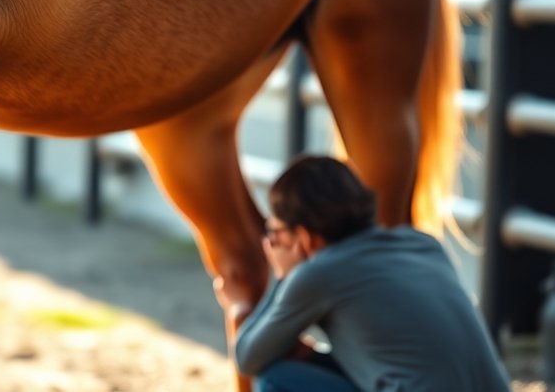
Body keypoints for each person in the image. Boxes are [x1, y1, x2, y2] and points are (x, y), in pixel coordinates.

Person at [215, 155, 510, 392]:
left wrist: (279, 280)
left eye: (275, 233)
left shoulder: (319, 274)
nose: (270, 244)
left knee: (276, 378)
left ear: (304, 238)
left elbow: (248, 359)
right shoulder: (422, 243)